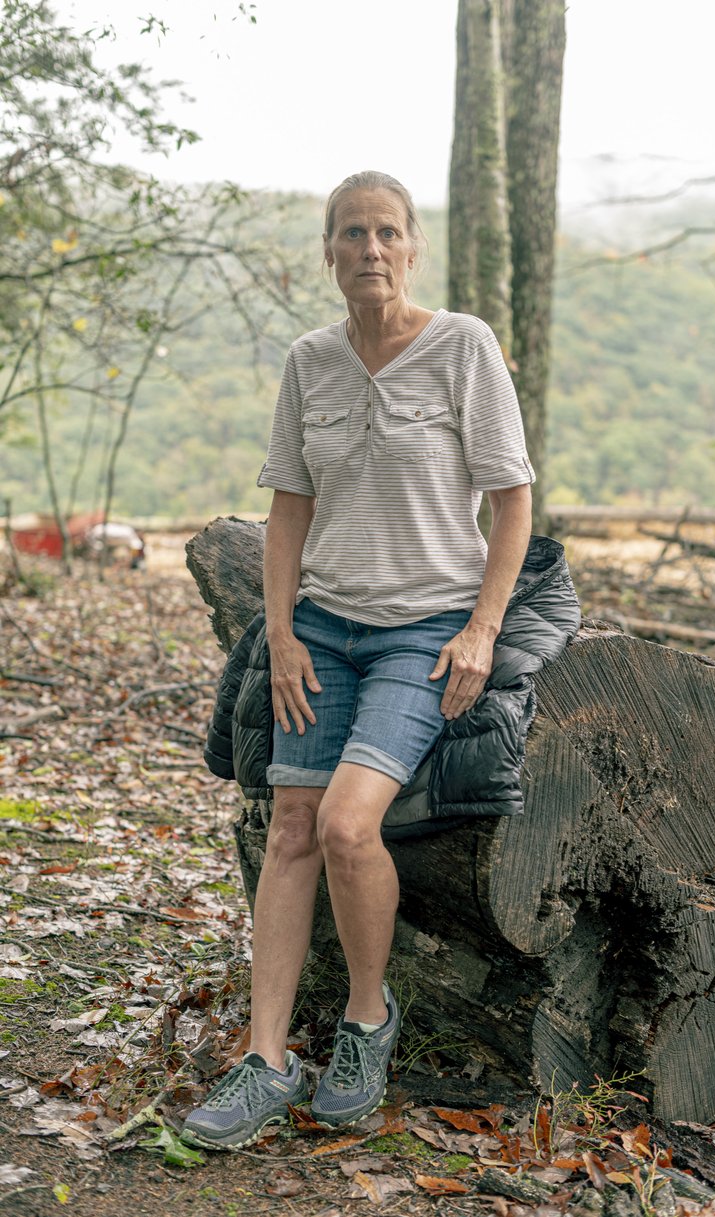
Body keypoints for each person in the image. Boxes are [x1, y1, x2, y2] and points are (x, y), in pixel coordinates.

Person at [182, 170, 537, 1149]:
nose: (369, 249)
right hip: (326, 628)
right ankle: (264, 1057)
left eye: (386, 232)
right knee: (290, 823)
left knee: (345, 822)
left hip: (424, 631)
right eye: (351, 234)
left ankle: (367, 1019)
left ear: (411, 246)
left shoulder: (463, 346)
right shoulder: (310, 361)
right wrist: (283, 629)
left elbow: (512, 499)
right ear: (329, 254)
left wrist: (482, 626)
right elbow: (288, 505)